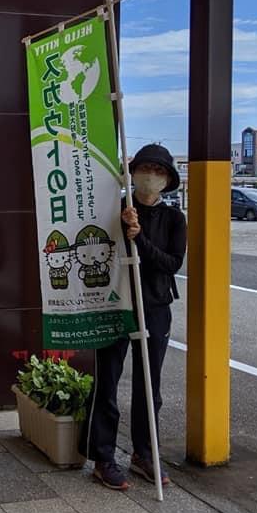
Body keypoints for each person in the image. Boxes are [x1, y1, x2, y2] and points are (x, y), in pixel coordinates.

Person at [79, 143, 186, 491]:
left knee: (149, 384)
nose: (151, 177)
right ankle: (103, 457)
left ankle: (143, 453)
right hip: (115, 302)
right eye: (146, 169)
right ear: (133, 172)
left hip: (155, 306)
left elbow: (172, 264)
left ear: (168, 180)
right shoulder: (117, 209)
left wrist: (140, 239)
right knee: (107, 380)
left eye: (159, 172)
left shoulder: (173, 218)